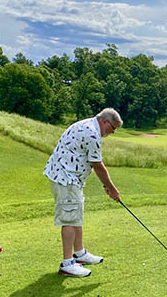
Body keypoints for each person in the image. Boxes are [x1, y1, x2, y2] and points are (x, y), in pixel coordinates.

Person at [44, 108, 122, 277]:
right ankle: (67, 264)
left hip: (71, 177)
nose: (112, 132)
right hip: (65, 177)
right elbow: (98, 166)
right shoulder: (92, 133)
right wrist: (112, 188)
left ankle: (80, 254)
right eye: (112, 128)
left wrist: (107, 186)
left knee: (76, 215)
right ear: (104, 122)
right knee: (69, 218)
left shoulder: (88, 125)